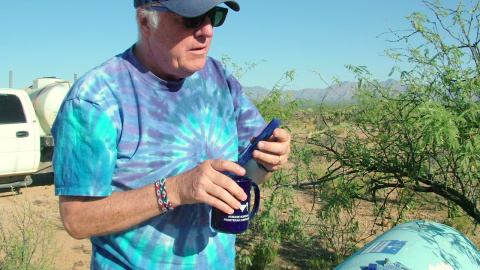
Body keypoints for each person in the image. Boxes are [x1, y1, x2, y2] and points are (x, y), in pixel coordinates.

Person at [52, 0, 292, 269]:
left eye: (215, 15)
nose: (207, 30)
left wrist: (267, 160)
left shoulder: (219, 79)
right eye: (191, 19)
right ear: (145, 22)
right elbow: (77, 218)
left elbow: (247, 177)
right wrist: (175, 190)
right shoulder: (96, 99)